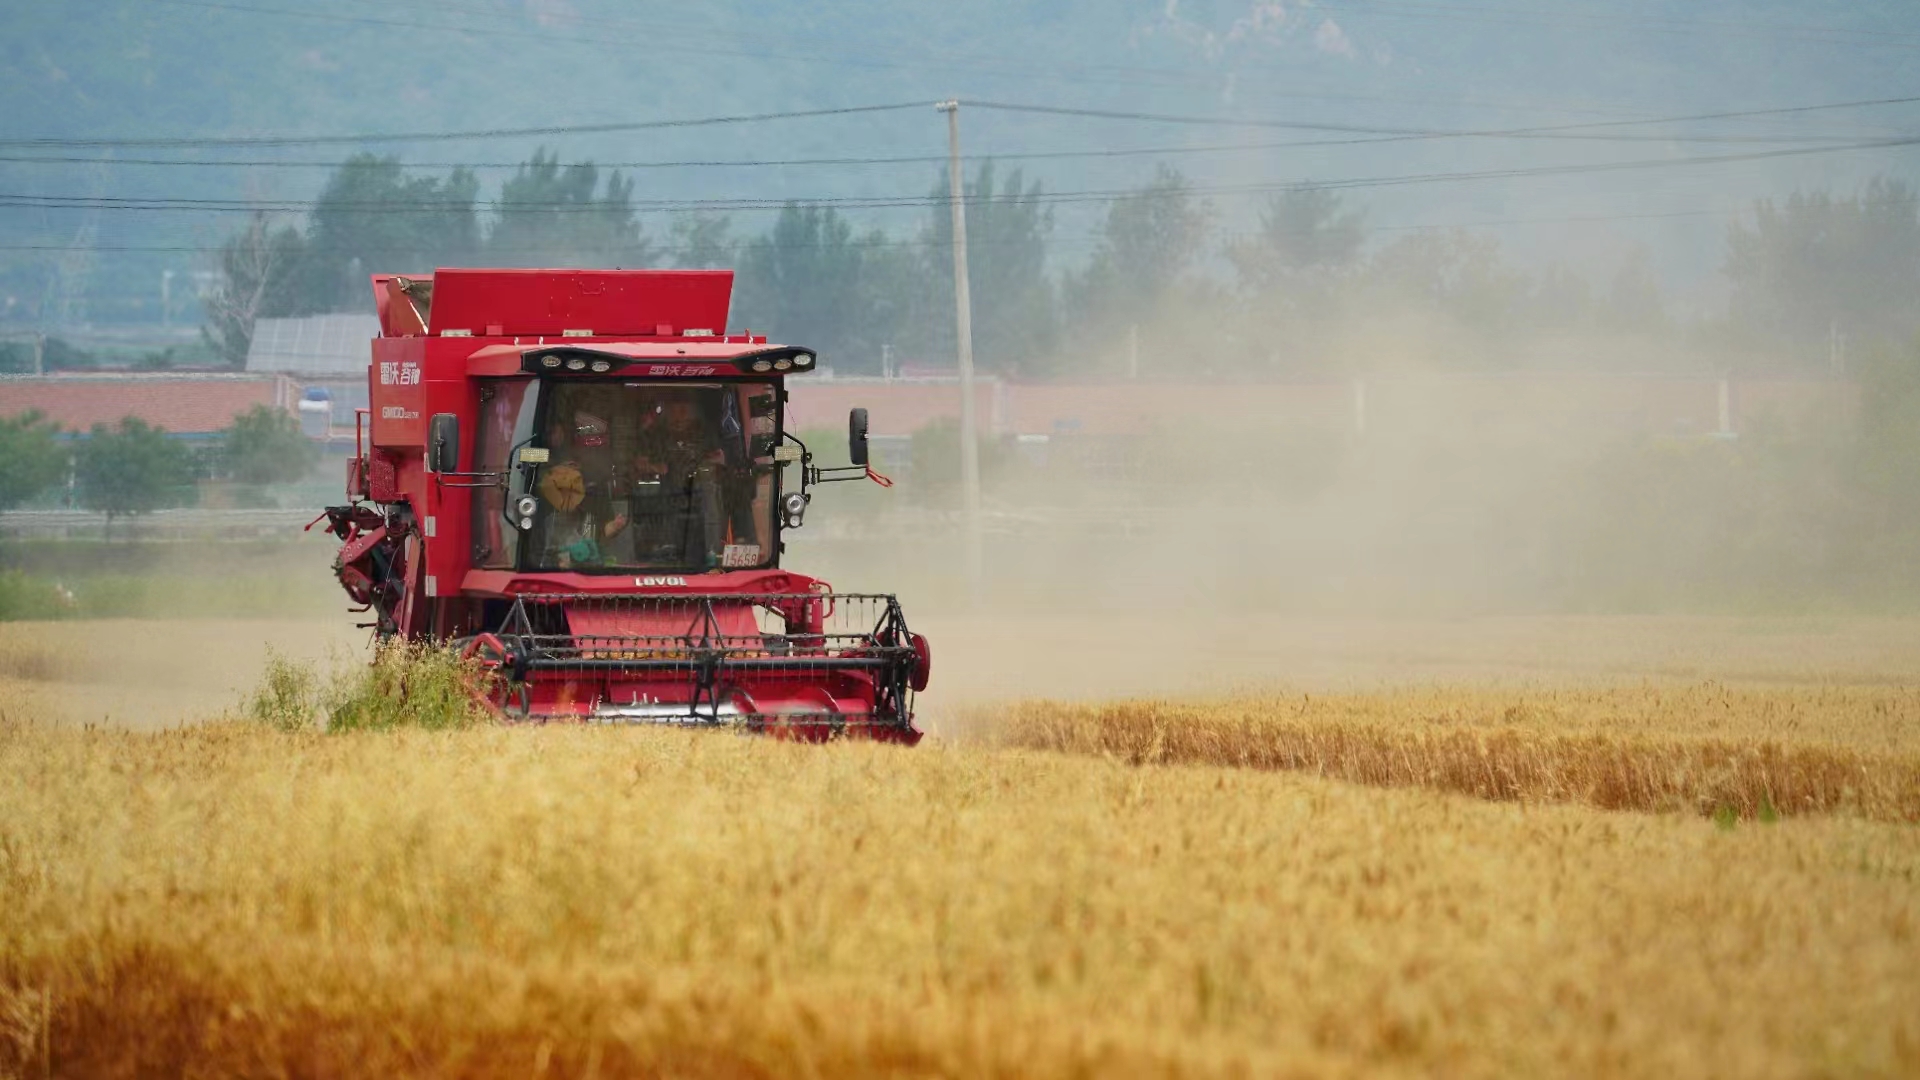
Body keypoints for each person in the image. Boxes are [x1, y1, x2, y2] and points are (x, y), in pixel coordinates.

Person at [535, 408, 627, 567]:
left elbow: (605, 531)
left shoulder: (594, 494)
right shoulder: (546, 507)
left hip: (589, 565)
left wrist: (615, 526)